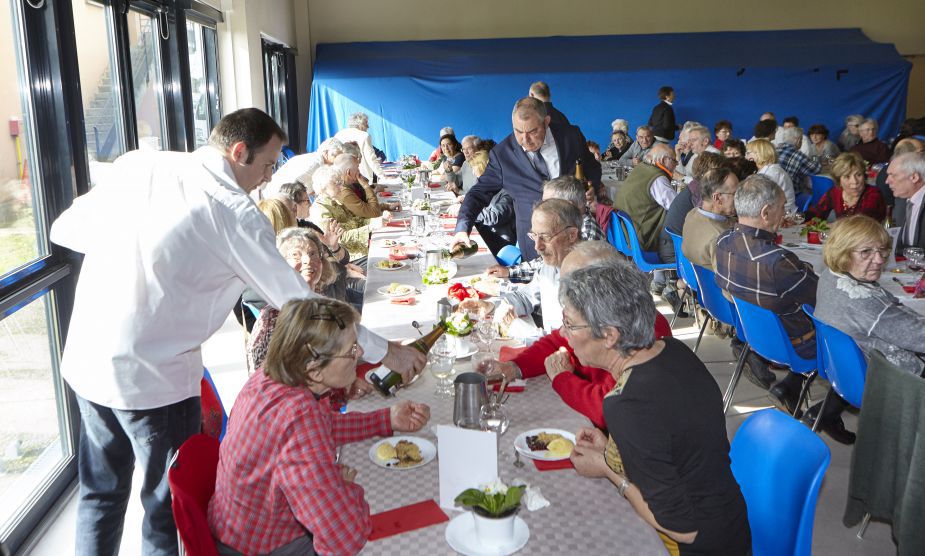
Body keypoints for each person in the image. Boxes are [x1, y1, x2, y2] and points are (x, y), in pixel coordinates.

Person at [48, 108, 425, 555]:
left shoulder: (143, 164)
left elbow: (64, 229)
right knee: (163, 509)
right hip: (152, 377)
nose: (268, 178)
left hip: (89, 357)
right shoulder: (231, 211)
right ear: (238, 152)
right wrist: (388, 354)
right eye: (266, 165)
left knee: (100, 495)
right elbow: (303, 303)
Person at [210, 298, 431, 555]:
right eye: (351, 350)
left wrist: (386, 419)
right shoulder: (299, 417)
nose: (359, 355)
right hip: (262, 547)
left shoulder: (271, 377)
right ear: (315, 371)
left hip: (234, 528)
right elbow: (344, 539)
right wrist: (344, 489)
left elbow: (321, 427)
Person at [561, 264, 751, 556]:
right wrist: (615, 449)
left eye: (571, 325)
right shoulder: (674, 351)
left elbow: (682, 529)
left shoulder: (626, 405)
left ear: (610, 336)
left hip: (698, 545)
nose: (564, 333)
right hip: (730, 521)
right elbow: (674, 442)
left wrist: (610, 473)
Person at [714, 175, 854, 443]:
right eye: (782, 207)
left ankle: (791, 385)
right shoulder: (778, 263)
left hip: (757, 336)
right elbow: (825, 298)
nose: (786, 213)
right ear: (766, 212)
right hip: (797, 344)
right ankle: (827, 411)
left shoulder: (723, 242)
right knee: (856, 334)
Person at [484, 241, 673, 429]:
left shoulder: (639, 329)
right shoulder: (592, 314)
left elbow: (610, 409)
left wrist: (562, 378)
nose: (565, 294)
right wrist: (514, 367)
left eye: (574, 285)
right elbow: (557, 341)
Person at [452, 97, 600, 261]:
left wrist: (592, 186)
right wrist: (462, 228)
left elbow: (592, 167)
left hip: (574, 236)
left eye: (532, 131)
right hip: (534, 245)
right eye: (518, 131)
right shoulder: (502, 155)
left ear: (546, 122)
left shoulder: (570, 137)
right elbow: (479, 193)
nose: (525, 140)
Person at [815, 215, 925, 376]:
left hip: (847, 372)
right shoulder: (864, 303)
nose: (879, 260)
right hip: (896, 382)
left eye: (882, 250)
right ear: (843, 252)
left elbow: (893, 305)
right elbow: (919, 337)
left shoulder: (829, 276)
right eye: (866, 252)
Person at [459, 199, 581, 334]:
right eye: (534, 236)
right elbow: (527, 297)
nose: (537, 246)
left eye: (545, 237)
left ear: (572, 235)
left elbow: (570, 343)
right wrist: (492, 306)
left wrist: (519, 328)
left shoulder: (586, 277)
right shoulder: (551, 265)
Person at [247, 228, 341, 373]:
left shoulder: (320, 296)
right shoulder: (274, 317)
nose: (307, 260)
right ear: (281, 265)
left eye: (313, 253)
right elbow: (264, 375)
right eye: (295, 255)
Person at [486, 175, 605, 283]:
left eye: (548, 203)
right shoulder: (569, 225)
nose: (542, 207)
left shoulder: (589, 239)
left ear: (568, 205)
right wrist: (509, 272)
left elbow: (564, 285)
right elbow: (544, 267)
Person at [614, 143, 677, 253]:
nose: (676, 164)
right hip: (638, 238)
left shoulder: (641, 168)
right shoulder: (658, 178)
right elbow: (676, 207)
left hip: (622, 233)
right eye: (674, 161)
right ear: (663, 160)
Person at [309, 165, 380, 259]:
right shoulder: (320, 210)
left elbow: (356, 221)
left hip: (364, 249)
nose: (342, 186)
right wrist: (372, 226)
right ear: (323, 187)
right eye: (337, 183)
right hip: (350, 258)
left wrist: (377, 220)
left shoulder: (336, 200)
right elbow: (339, 239)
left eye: (341, 182)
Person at [681, 167, 739, 270]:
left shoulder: (692, 213)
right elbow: (727, 282)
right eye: (736, 194)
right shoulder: (720, 239)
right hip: (713, 283)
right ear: (717, 198)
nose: (740, 198)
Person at [806, 152, 886, 222]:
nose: (854, 181)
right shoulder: (835, 192)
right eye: (847, 176)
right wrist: (799, 219)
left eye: (858, 175)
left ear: (864, 176)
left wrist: (833, 226)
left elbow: (861, 223)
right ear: (839, 180)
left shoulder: (873, 194)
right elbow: (817, 212)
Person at [265, 137, 344, 196]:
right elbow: (294, 186)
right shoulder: (315, 164)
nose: (337, 161)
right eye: (336, 157)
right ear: (326, 153)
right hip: (277, 195)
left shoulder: (314, 160)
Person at [887, 151, 925, 253]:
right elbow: (894, 242)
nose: (887, 181)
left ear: (914, 177)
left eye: (893, 175)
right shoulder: (901, 200)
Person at [746, 138, 796, 213]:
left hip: (783, 215)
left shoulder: (771, 172)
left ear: (759, 153)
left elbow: (761, 199)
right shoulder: (767, 169)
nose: (746, 156)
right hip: (775, 211)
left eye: (748, 153)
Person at [334, 112, 387, 182]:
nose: (368, 126)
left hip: (341, 175)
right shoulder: (364, 136)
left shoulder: (339, 134)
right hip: (361, 175)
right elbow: (371, 159)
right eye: (366, 123)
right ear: (360, 124)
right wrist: (383, 176)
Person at [776, 126, 821, 194]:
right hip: (793, 194)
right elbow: (816, 169)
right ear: (798, 140)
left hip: (774, 193)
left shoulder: (775, 150)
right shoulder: (798, 155)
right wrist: (815, 157)